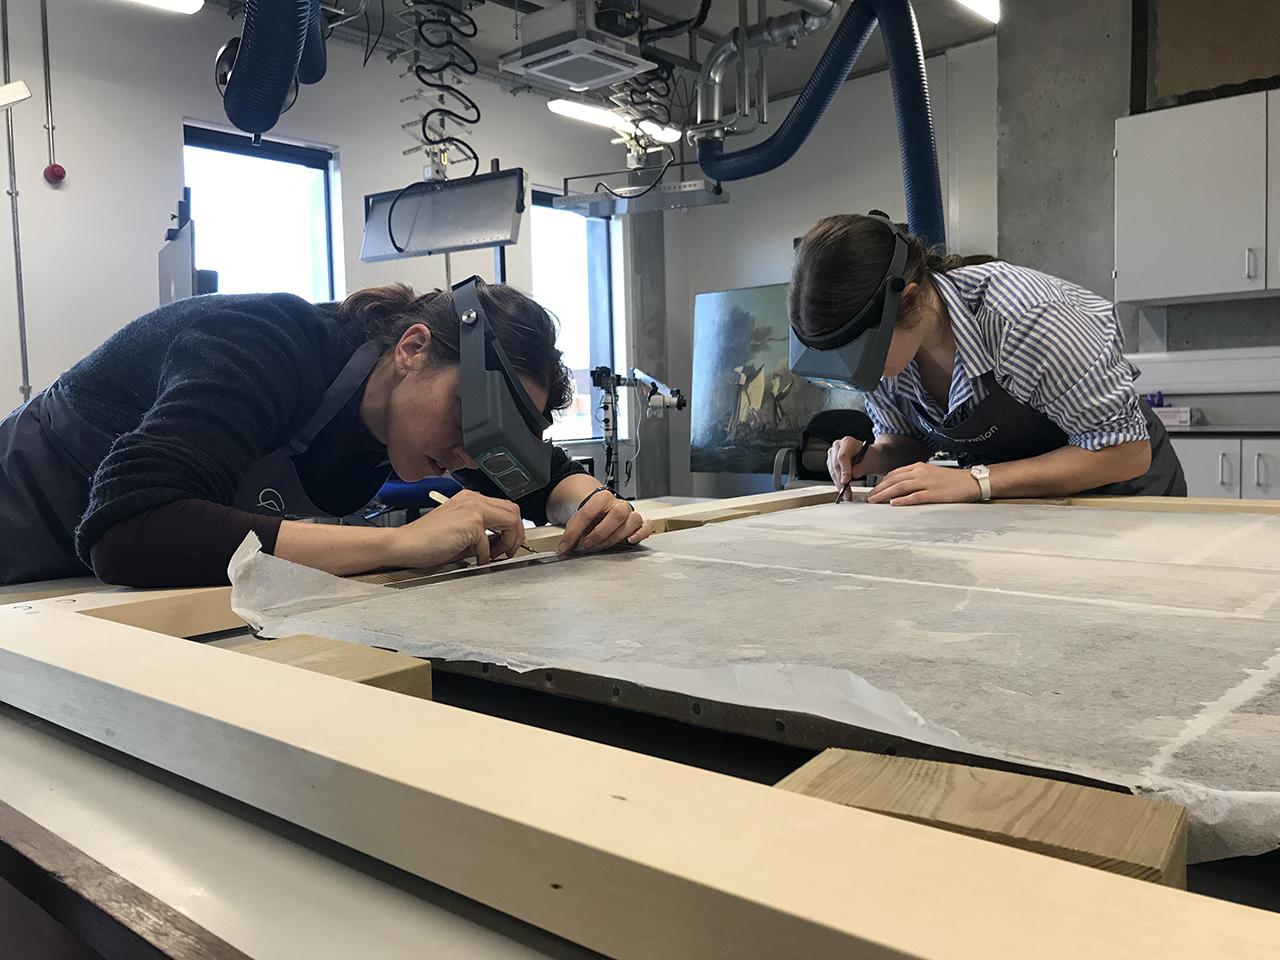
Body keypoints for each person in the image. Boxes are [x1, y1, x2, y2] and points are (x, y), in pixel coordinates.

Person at [0, 281, 652, 586]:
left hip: (85, 589)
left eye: (492, 440)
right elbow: (131, 533)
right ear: (413, 348)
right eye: (465, 418)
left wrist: (587, 505)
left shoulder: (418, 415)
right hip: (24, 518)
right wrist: (399, 546)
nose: (468, 455)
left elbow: (537, 472)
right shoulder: (262, 344)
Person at [788, 212, 1186, 505]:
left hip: (1123, 494)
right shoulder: (890, 356)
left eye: (861, 356)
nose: (860, 375)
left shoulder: (1026, 319)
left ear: (908, 301)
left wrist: (977, 481)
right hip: (1024, 505)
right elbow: (908, 442)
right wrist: (872, 456)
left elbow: (1126, 451)